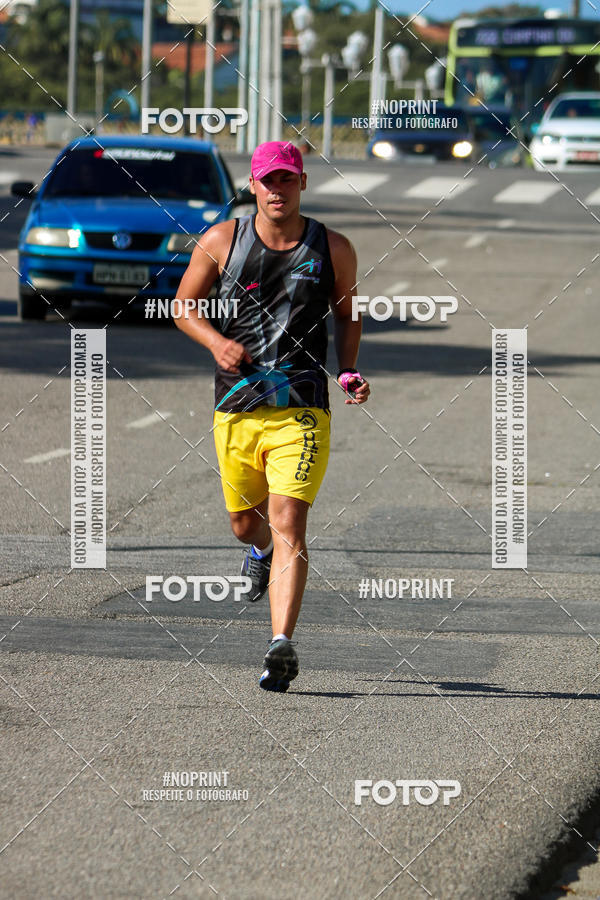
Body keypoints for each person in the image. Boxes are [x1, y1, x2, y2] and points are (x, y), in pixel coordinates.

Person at [173, 140, 370, 692]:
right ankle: (257, 551)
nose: (277, 189)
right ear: (253, 187)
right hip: (236, 407)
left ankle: (280, 643)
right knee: (245, 524)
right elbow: (183, 307)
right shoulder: (221, 241)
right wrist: (215, 343)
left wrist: (348, 369)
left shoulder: (333, 247)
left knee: (289, 522)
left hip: (303, 408)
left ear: (302, 183)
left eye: (287, 179)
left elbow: (349, 316)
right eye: (268, 181)